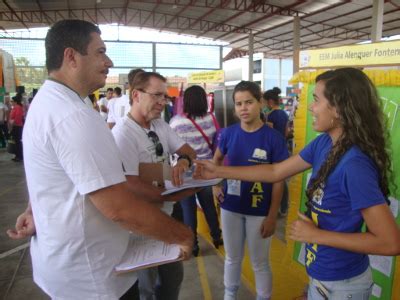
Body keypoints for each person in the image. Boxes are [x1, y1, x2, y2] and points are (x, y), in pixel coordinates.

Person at [7, 19, 193, 300]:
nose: (108, 62)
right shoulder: (73, 117)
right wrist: (180, 234)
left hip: (70, 267)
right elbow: (117, 207)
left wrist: (35, 211)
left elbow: (52, 174)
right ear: (71, 57)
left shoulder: (48, 104)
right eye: (100, 52)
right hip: (93, 279)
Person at [195, 68, 400, 299]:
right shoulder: (324, 144)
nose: (311, 107)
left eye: (316, 100)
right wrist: (218, 170)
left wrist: (316, 236)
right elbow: (275, 171)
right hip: (322, 277)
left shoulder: (354, 166)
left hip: (342, 285)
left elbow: (389, 242)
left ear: (339, 108)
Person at [112, 71, 197, 300]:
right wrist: (169, 195)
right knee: (145, 287)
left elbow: (188, 150)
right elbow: (129, 186)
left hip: (165, 216)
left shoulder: (160, 125)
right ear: (136, 95)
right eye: (157, 96)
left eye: (165, 97)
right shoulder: (123, 134)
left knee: (172, 278)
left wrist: (182, 161)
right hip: (140, 224)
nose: (162, 102)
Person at [212, 81, 289, 300]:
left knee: (260, 262)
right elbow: (216, 160)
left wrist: (273, 215)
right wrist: (215, 185)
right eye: (238, 104)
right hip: (231, 206)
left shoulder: (273, 138)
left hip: (260, 210)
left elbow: (279, 180)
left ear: (260, 103)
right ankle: (230, 294)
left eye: (248, 102)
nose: (243, 108)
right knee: (232, 257)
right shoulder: (227, 134)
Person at [170, 85, 223, 257]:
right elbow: (216, 142)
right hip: (205, 170)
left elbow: (171, 148)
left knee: (188, 209)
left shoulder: (176, 122)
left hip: (185, 172)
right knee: (208, 205)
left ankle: (193, 246)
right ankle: (217, 237)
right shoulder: (211, 118)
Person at [263, 88, 290, 216]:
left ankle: (273, 207)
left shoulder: (271, 115)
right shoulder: (284, 113)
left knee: (273, 179)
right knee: (282, 179)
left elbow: (269, 135)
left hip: (272, 150)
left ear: (270, 102)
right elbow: (286, 132)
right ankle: (284, 208)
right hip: (283, 148)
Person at [9, 93, 24, 161]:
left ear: (15, 101)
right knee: (15, 142)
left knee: (18, 142)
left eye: (12, 101)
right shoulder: (15, 107)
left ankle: (19, 156)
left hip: (17, 126)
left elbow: (17, 118)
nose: (11, 102)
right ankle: (17, 155)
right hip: (14, 126)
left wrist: (12, 123)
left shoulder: (18, 107)